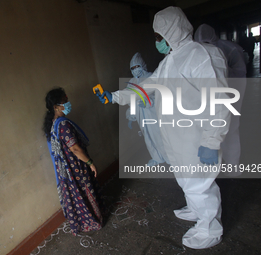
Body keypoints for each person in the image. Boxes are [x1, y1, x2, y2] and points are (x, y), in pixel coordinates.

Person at [97, 6, 231, 249]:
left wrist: (212, 141)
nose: (157, 41)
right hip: (178, 139)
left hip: (195, 138)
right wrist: (115, 97)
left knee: (200, 185)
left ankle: (210, 228)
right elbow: (146, 86)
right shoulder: (170, 61)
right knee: (186, 180)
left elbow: (219, 101)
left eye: (159, 36)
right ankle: (194, 209)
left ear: (172, 31)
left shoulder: (201, 55)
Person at [43, 87, 104, 236]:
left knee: (76, 195)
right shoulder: (63, 124)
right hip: (75, 166)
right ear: (56, 107)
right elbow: (75, 149)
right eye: (65, 102)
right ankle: (93, 220)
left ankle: (83, 222)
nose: (68, 104)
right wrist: (90, 163)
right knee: (85, 190)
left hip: (66, 169)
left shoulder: (54, 122)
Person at [194, 24, 246, 176]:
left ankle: (233, 167)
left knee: (231, 127)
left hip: (232, 88)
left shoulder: (230, 49)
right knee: (214, 124)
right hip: (211, 91)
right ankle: (216, 163)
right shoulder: (196, 52)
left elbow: (240, 72)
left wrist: (222, 74)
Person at [126, 52, 169, 166]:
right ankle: (157, 158)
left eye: (137, 67)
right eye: (133, 68)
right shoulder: (131, 82)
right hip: (141, 115)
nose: (135, 70)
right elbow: (131, 100)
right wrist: (131, 116)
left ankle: (170, 158)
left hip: (153, 113)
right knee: (148, 137)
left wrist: (149, 102)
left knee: (160, 136)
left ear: (142, 65)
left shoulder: (151, 77)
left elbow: (161, 95)